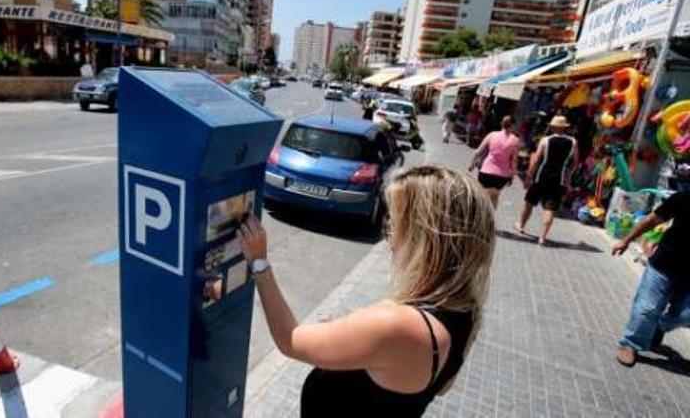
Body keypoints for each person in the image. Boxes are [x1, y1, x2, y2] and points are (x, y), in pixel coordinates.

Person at [238, 165, 495, 417]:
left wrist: (259, 262)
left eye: (395, 225)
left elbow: (289, 340)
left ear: (423, 239)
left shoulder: (398, 324)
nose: (390, 238)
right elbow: (441, 388)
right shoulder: (468, 311)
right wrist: (359, 345)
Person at [612, 190, 690, 367]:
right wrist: (626, 240)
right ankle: (630, 344)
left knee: (686, 315)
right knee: (646, 309)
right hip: (664, 265)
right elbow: (652, 220)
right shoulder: (684, 197)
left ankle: (658, 326)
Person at [516, 115, 579, 246]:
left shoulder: (545, 140)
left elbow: (537, 159)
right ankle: (542, 237)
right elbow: (575, 162)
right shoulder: (573, 142)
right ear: (565, 128)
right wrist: (568, 174)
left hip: (541, 176)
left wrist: (528, 177)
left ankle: (521, 225)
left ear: (553, 127)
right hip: (559, 179)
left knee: (529, 202)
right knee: (550, 209)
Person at [469, 116, 521, 208]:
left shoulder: (492, 135)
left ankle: (478, 215)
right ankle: (490, 218)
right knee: (494, 197)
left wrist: (472, 164)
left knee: (482, 195)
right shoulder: (515, 141)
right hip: (502, 175)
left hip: (486, 171)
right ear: (513, 126)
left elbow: (478, 151)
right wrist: (513, 175)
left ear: (502, 123)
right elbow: (514, 160)